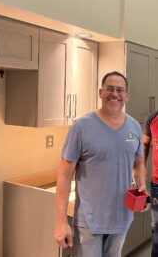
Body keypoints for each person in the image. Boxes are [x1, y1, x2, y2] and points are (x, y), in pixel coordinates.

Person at [54, 71, 146, 257]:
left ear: (127, 95)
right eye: (109, 89)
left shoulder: (134, 126)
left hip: (122, 216)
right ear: (100, 93)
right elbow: (64, 174)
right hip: (89, 221)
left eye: (120, 90)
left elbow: (138, 164)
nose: (115, 94)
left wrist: (141, 186)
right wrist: (61, 222)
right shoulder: (82, 127)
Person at [143, 110, 158, 257]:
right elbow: (145, 144)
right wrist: (141, 167)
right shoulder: (152, 118)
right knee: (157, 231)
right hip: (157, 187)